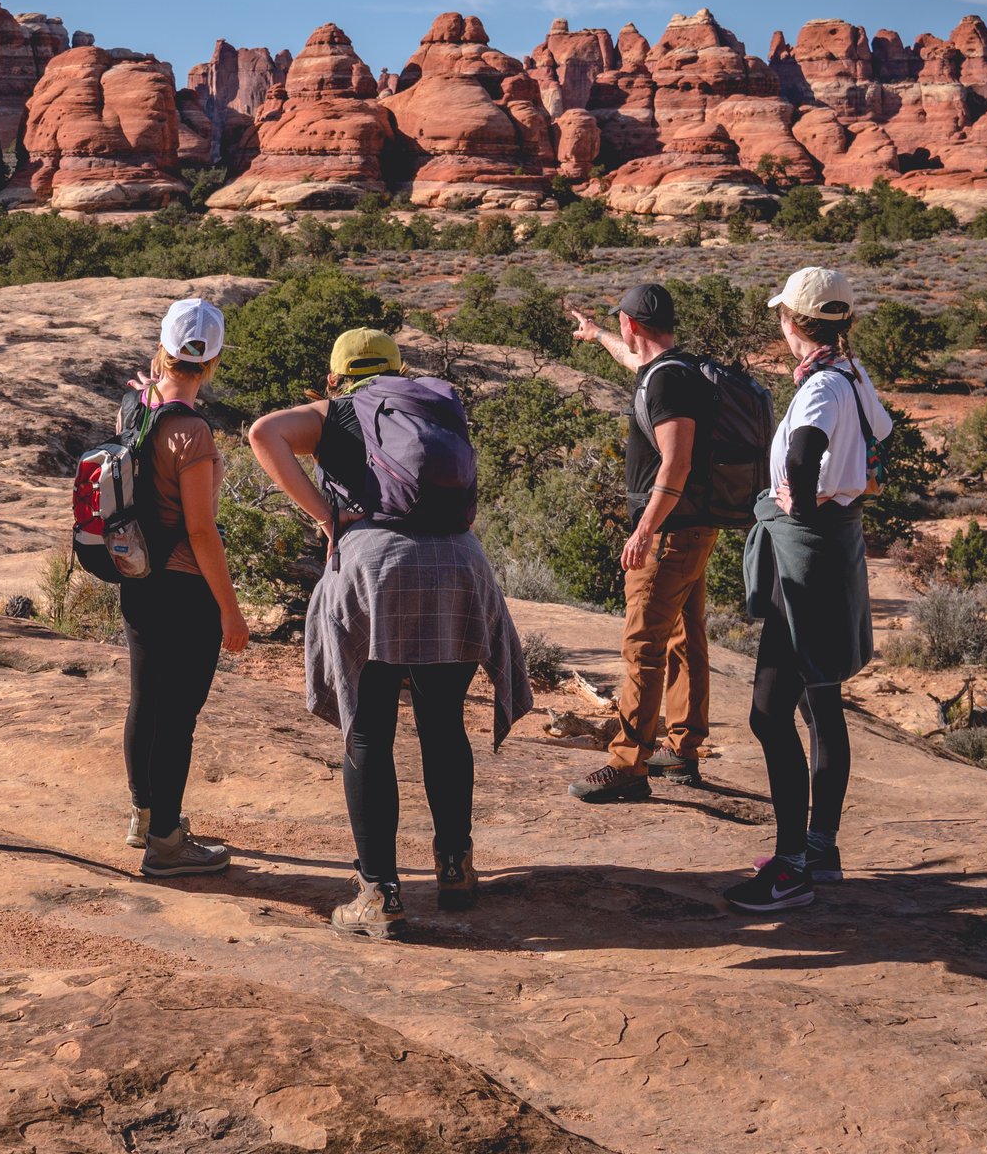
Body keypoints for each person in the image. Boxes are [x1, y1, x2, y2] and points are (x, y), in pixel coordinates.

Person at [247, 328, 527, 940]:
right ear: (398, 372)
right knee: (444, 721)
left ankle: (379, 894)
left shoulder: (337, 411)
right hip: (458, 564)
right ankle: (455, 867)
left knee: (369, 728)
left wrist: (325, 516)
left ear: (335, 376)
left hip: (377, 571)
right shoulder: (433, 405)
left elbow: (263, 434)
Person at [727, 266, 892, 914]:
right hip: (839, 544)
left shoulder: (822, 386)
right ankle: (820, 847)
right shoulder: (852, 375)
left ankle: (791, 867)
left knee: (769, 711)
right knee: (822, 703)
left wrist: (792, 504)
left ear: (794, 323)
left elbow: (805, 452)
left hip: (808, 560)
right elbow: (880, 436)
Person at [564, 283, 717, 802]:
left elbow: (676, 461)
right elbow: (636, 363)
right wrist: (596, 334)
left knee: (643, 646)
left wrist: (645, 528)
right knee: (683, 637)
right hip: (693, 526)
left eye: (620, 326)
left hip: (670, 533)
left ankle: (629, 763)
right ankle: (682, 749)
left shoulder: (668, 383)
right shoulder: (671, 370)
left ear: (634, 326)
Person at [118, 297, 253, 878]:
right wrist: (231, 610)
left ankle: (146, 819)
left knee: (146, 699)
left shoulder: (135, 408)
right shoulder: (193, 433)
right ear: (215, 360)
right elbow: (201, 530)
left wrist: (148, 387)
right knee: (178, 715)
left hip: (138, 575)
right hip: (184, 588)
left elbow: (149, 397)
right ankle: (168, 846)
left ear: (164, 350)